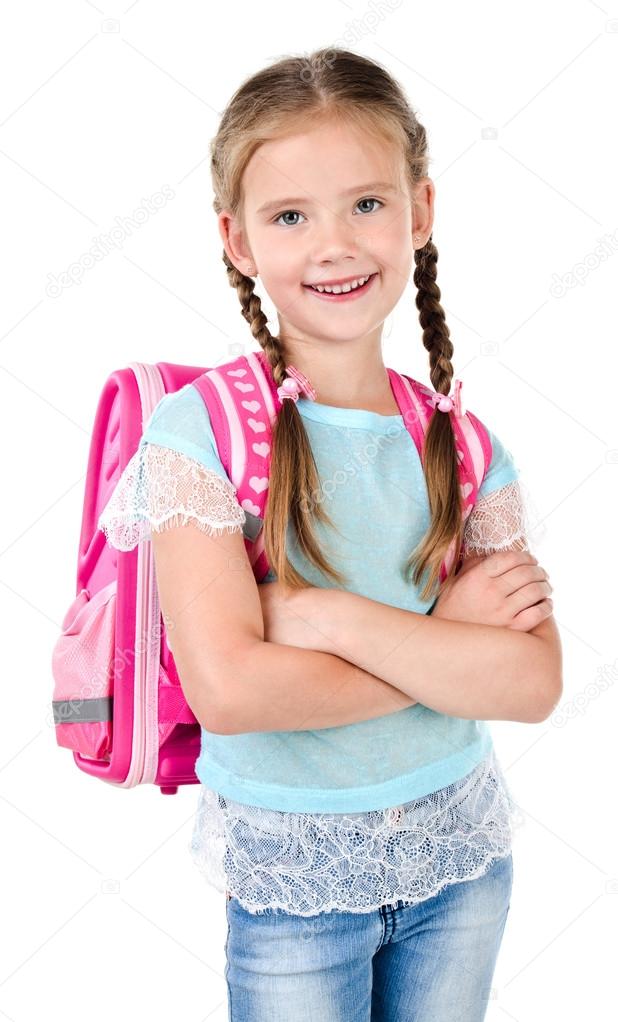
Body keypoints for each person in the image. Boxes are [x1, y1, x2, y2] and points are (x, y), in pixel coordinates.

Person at [99, 47, 562, 1022]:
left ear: (419, 211)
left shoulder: (465, 446)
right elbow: (230, 690)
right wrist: (447, 642)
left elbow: (529, 681)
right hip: (295, 895)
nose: (335, 244)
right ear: (238, 239)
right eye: (290, 216)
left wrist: (323, 616)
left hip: (458, 864)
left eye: (366, 203)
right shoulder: (204, 433)